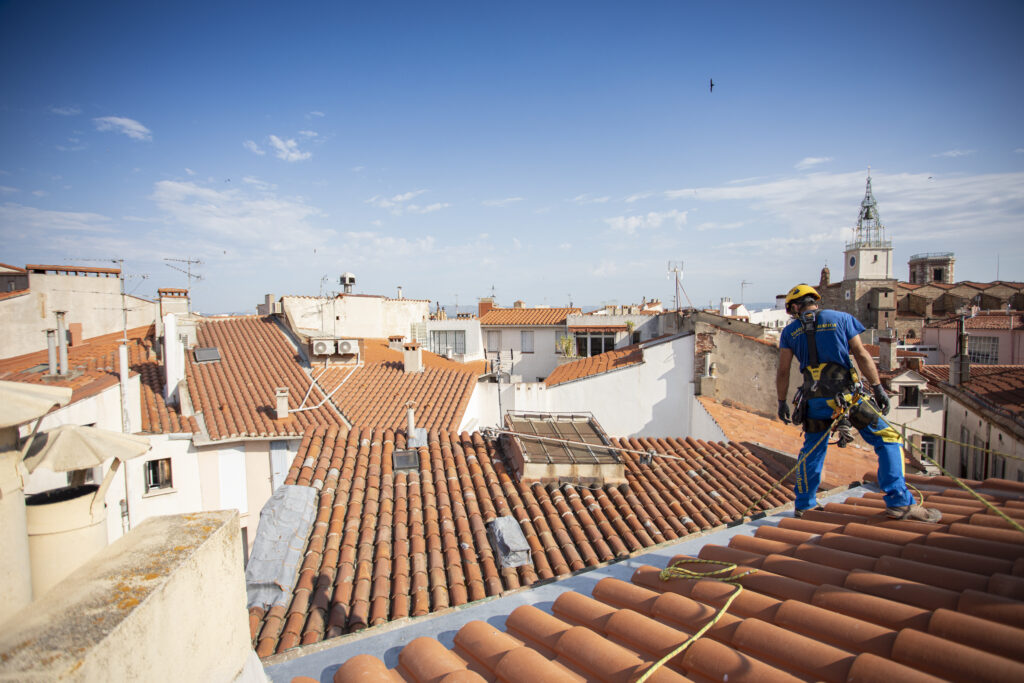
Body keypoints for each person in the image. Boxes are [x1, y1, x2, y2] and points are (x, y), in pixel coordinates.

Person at [775, 284, 940, 522]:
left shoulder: (790, 332)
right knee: (888, 439)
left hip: (814, 400)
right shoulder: (842, 319)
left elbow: (783, 371)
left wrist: (782, 402)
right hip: (847, 397)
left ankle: (804, 505)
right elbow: (861, 354)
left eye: (792, 310)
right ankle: (899, 502)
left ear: (797, 306)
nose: (792, 315)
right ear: (814, 301)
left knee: (812, 450)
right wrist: (878, 387)